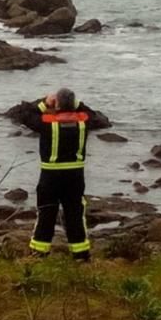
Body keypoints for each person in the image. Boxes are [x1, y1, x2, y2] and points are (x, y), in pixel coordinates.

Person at [19, 88, 98, 261]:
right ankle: (81, 255)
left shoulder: (47, 123)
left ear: (58, 104)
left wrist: (44, 102)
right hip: (75, 177)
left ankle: (39, 253)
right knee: (75, 215)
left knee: (46, 214)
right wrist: (75, 103)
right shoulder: (83, 122)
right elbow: (94, 114)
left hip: (50, 177)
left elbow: (24, 115)